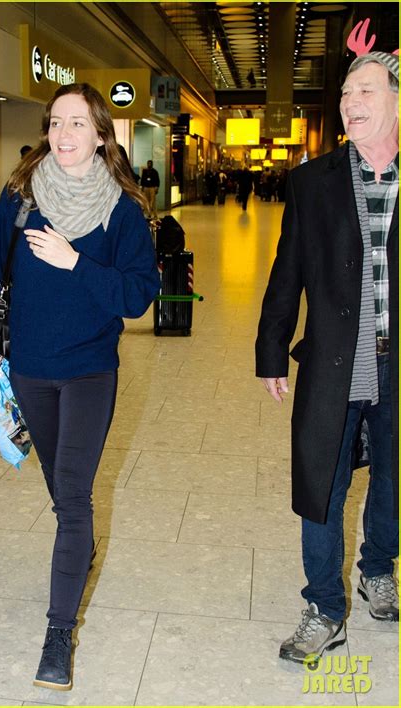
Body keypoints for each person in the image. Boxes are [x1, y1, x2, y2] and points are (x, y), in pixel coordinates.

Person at [0, 82, 160, 690]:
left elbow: (136, 296)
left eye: (78, 124)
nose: (64, 135)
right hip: (29, 368)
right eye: (56, 123)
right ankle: (81, 550)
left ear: (101, 135)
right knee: (59, 488)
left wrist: (76, 262)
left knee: (73, 494)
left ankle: (57, 634)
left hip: (90, 369)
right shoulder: (22, 196)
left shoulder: (122, 211)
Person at [256, 48, 399, 665]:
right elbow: (287, 273)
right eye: (346, 94)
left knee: (392, 478)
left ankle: (377, 570)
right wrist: (270, 352)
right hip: (334, 362)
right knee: (322, 483)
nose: (350, 103)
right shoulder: (313, 181)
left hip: (395, 368)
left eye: (365, 91)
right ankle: (324, 606)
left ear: (395, 101)